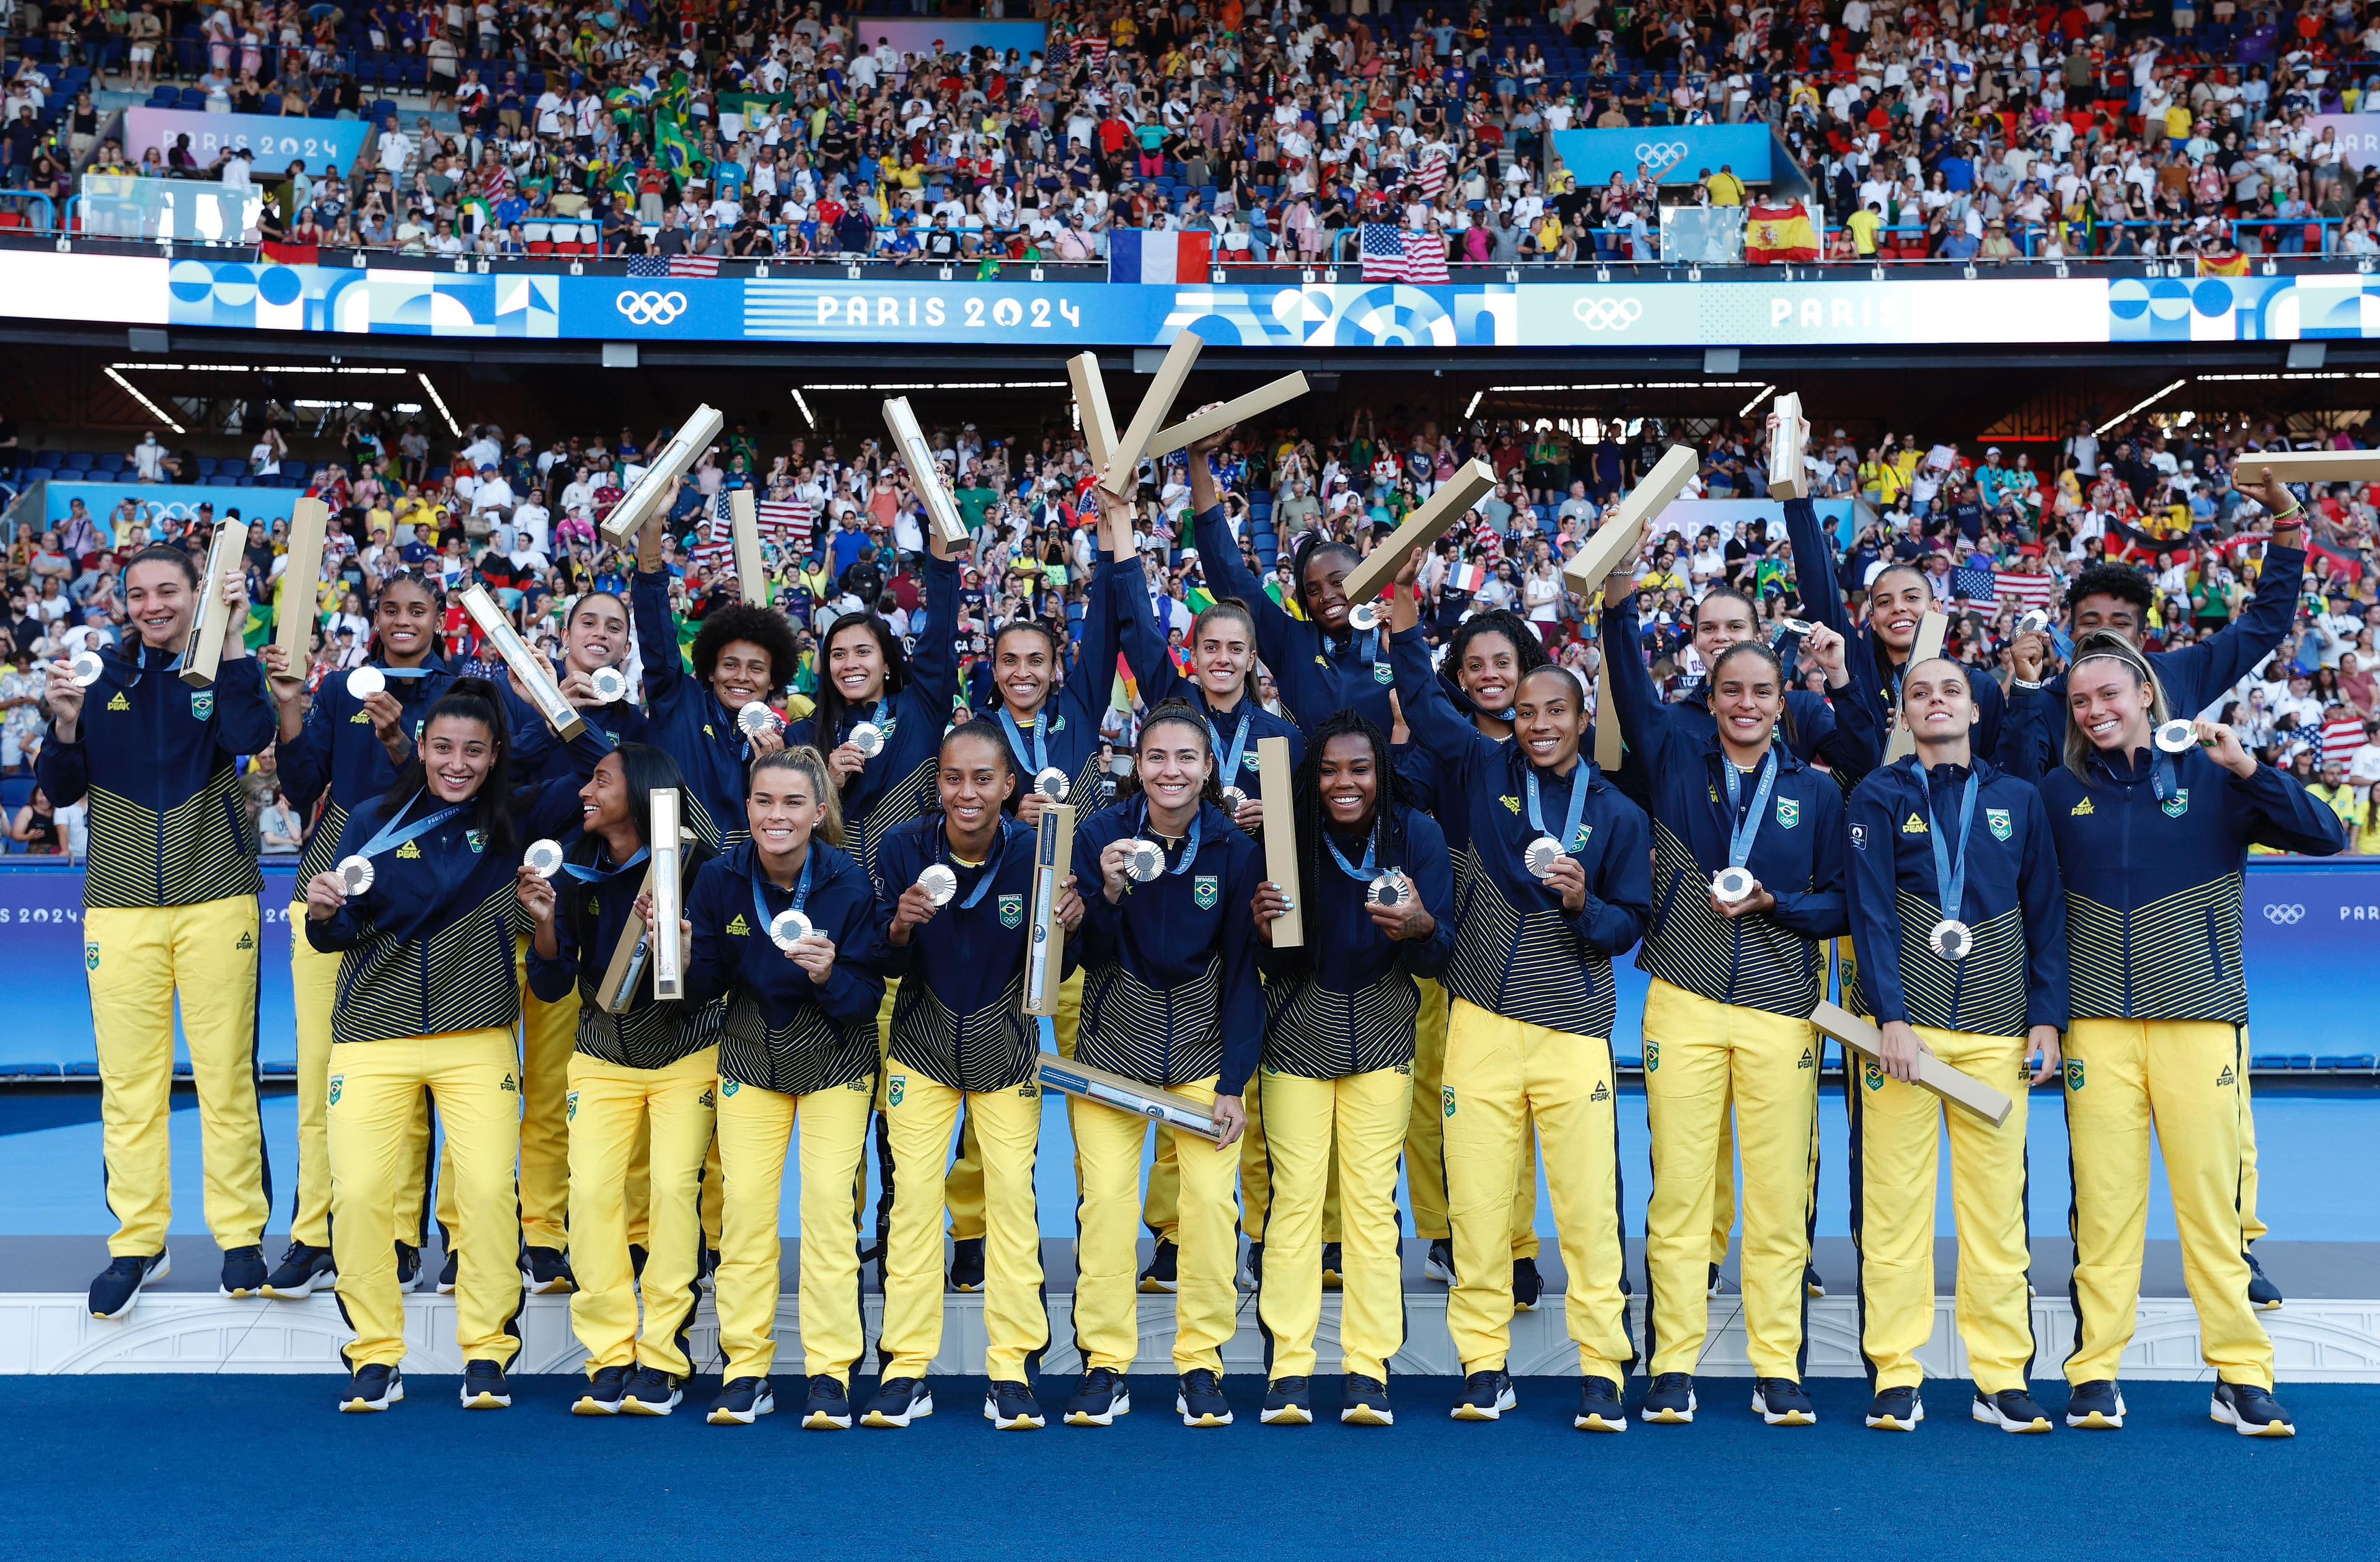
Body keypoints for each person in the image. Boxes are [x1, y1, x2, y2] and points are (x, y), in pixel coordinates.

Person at [2001, 464, 2312, 1308]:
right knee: (2100, 1160)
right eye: (2089, 625)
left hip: (2190, 969)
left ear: (2147, 646)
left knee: (2225, 1138)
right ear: (2068, 632)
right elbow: (2019, 796)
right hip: (2089, 958)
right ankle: (2093, 1276)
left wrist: (2285, 520)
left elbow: (2266, 621)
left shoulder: (2182, 674)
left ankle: (2239, 1257)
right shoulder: (2048, 703)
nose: (2102, 636)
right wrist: (2028, 690)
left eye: (2120, 626)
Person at [2035, 635, 2346, 1437]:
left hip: (2199, 1023)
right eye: (2081, 701)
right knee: (2102, 1212)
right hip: (2097, 1030)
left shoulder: (2216, 778)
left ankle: (2240, 1374)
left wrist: (2249, 769)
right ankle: (2094, 1373)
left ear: (2146, 694)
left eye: (2110, 694)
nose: (2096, 711)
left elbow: (2326, 835)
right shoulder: (2055, 793)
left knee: (2213, 1213)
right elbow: (2038, 917)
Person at [1386, 554, 1652, 1430]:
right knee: (1478, 1202)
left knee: (1585, 1210)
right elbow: (1424, 705)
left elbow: (1627, 927)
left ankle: (1605, 1369)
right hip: (1481, 1026)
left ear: (1582, 721)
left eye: (1555, 712)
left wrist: (1584, 905)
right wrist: (1399, 618)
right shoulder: (1481, 772)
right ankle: (1483, 1364)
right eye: (1526, 712)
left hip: (1573, 1031)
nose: (1537, 724)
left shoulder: (1615, 815)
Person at [1601, 574, 1882, 1300]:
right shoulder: (1671, 755)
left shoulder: (1815, 790)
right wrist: (1618, 602)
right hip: (1685, 991)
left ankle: (1777, 1358)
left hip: (1781, 1004)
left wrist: (1775, 903)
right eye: (1732, 691)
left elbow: (1841, 904)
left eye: (1762, 692)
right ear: (1709, 691)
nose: (1746, 704)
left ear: (1782, 701)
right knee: (1682, 1183)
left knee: (1780, 1184)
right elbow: (1631, 689)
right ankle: (1675, 1349)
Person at [304, 678, 557, 1412]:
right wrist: (324, 915)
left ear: (495, 755)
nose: (456, 763)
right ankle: (375, 1354)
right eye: (442, 747)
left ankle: (486, 1351)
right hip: (372, 1036)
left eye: (474, 751)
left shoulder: (514, 825)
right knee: (356, 1197)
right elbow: (340, 933)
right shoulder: (376, 820)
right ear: (419, 747)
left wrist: (548, 698)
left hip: (476, 1036)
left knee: (483, 1194)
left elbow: (589, 761)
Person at [40, 543, 276, 1319]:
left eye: (168, 591)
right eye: (138, 594)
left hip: (215, 899)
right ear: (124, 602)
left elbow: (246, 736)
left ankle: (241, 1239)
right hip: (117, 906)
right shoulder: (97, 674)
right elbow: (62, 791)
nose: (152, 606)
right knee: (130, 1086)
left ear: (193, 595)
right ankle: (139, 1243)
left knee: (225, 1078)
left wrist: (235, 636)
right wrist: (66, 727)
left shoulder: (213, 669)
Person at [1844, 656, 2068, 1434]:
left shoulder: (2018, 799)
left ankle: (2000, 1377)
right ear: (1904, 713)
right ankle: (1895, 1375)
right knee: (1898, 1212)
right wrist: (1891, 1016)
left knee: (1996, 1218)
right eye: (1919, 693)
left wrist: (2047, 1016)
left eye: (1950, 691)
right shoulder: (1875, 795)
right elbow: (1869, 914)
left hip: (1998, 1034)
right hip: (1904, 1039)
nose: (1935, 702)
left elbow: (2045, 912)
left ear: (1976, 710)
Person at [940, 498, 1158, 1292]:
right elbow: (951, 811)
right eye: (1010, 662)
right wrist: (1004, 806)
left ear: (1057, 668)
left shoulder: (1077, 711)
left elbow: (1105, 619)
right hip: (1002, 931)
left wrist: (1110, 531)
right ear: (992, 670)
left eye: (1037, 660)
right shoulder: (977, 743)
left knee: (1114, 1082)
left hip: (1084, 922)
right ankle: (975, 1231)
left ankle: (1135, 1231)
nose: (1025, 673)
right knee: (987, 1087)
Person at [866, 721, 1084, 1431]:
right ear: (938, 784)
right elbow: (883, 962)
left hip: (1006, 1050)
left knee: (1013, 1208)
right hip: (923, 1049)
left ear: (1009, 785)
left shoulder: (1037, 854)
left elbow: (1063, 970)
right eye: (954, 778)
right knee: (914, 1206)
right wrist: (897, 929)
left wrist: (1073, 925)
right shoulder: (902, 848)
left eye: (983, 779)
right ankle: (905, 1368)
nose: (967, 793)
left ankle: (1012, 1369)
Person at [1249, 710, 1453, 1427]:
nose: (1344, 783)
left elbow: (1441, 949)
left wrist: (1423, 926)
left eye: (1359, 769)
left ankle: (1368, 1370)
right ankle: (1290, 1369)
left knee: (1370, 1207)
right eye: (1330, 770)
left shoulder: (1416, 837)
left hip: (1384, 1039)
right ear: (1312, 776)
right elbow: (1266, 960)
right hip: (1298, 1039)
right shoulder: (1284, 837)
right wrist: (1259, 924)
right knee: (1298, 1203)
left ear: (1381, 774)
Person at [1064, 700, 1264, 1429]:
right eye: (1157, 758)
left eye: (1186, 758)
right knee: (1108, 1204)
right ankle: (1105, 1363)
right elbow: (1082, 956)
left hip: (1203, 1058)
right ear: (1136, 765)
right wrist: (1108, 892)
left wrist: (1236, 1085)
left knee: (1210, 1208)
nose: (1170, 772)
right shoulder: (1098, 835)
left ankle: (1202, 1364)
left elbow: (1245, 972)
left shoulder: (1235, 854)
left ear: (1209, 769)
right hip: (1113, 1053)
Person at [265, 571, 456, 1298]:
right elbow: (302, 779)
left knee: (407, 1082)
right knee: (319, 1077)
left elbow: (455, 791)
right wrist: (291, 707)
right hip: (327, 896)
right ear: (374, 615)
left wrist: (400, 740)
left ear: (437, 618)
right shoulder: (343, 687)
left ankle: (401, 1239)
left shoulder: (456, 693)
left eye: (417, 610)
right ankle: (314, 1236)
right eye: (390, 608)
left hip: (412, 904)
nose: (402, 620)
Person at [684, 746, 885, 1429]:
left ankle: (830, 1374)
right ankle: (746, 1370)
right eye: (765, 801)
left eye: (794, 803)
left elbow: (863, 1002)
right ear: (748, 810)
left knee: (829, 1211)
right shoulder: (717, 879)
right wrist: (682, 956)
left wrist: (830, 975)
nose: (777, 815)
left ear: (819, 812)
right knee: (743, 1213)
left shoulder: (850, 886)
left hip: (834, 1059)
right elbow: (706, 986)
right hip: (749, 1059)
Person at [519, 743, 720, 1417]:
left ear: (639, 795)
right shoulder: (574, 875)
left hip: (683, 1054)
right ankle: (610, 1353)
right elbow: (551, 984)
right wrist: (546, 926)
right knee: (595, 1195)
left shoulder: (699, 869)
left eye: (600, 781)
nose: (585, 791)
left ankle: (663, 1355)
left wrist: (678, 949)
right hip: (601, 1055)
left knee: (669, 1192)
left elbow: (708, 984)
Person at [1135, 593, 1306, 1292]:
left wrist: (1280, 819)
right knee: (1189, 1087)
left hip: (1269, 916)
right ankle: (1174, 1237)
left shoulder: (1280, 737)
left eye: (1237, 649)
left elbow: (1306, 838)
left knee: (1261, 1101)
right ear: (1194, 656)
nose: (1225, 659)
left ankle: (1267, 1233)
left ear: (1253, 657)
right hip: (1193, 923)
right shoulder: (1176, 730)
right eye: (1212, 648)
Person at [1388, 609, 1551, 1302]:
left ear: (1526, 669)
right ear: (1456, 677)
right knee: (1432, 1094)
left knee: (1512, 1100)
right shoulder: (1434, 750)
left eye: (1502, 663)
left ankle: (1514, 1243)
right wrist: (1401, 735)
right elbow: (1396, 807)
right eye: (1474, 666)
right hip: (1440, 933)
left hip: (1520, 945)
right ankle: (1448, 1233)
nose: (1489, 676)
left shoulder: (1553, 746)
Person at [1186, 420, 1396, 733]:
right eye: (1312, 590)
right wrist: (1197, 458)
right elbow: (1228, 574)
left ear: (1364, 579)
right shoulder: (1293, 642)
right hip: (1306, 783)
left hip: (1391, 783)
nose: (1326, 596)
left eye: (1339, 582)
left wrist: (1406, 647)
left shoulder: (1396, 639)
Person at [629, 516, 804, 849]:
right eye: (729, 665)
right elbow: (656, 633)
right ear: (710, 671)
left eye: (756, 668)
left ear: (772, 680)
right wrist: (651, 533)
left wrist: (777, 771)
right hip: (673, 880)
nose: (741, 677)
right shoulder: (680, 702)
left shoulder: (785, 742)